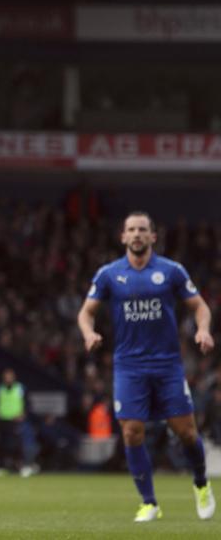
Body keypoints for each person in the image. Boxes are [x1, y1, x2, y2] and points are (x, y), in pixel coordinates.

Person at [78, 211, 216, 522]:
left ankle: (201, 483)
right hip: (129, 366)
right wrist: (89, 333)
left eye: (143, 229)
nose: (137, 234)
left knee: (185, 432)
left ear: (153, 236)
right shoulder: (109, 274)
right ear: (123, 237)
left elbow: (200, 307)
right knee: (131, 432)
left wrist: (203, 329)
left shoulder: (172, 271)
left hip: (167, 365)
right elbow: (85, 313)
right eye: (132, 230)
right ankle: (149, 502)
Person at [0, 368, 27, 476]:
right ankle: (1, 466)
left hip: (15, 419)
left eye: (10, 376)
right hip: (3, 419)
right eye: (6, 377)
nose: (8, 379)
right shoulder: (0, 388)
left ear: (14, 378)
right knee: (2, 443)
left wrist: (22, 413)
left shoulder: (19, 388)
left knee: (17, 444)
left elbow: (25, 401)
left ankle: (19, 466)